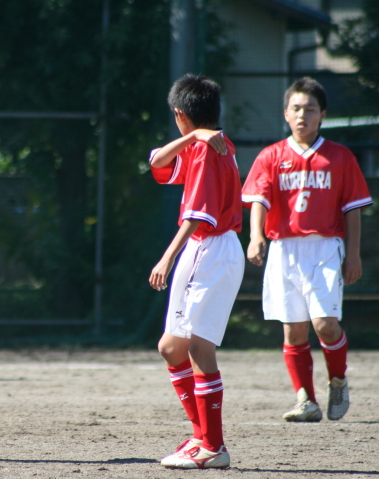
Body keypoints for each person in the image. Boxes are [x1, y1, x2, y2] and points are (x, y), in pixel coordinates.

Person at [242, 77, 372, 422]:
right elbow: (259, 200)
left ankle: (338, 379)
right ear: (286, 113)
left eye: (310, 109)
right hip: (284, 249)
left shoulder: (340, 156)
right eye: (296, 108)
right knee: (293, 329)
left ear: (322, 115)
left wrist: (354, 253)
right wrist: (256, 236)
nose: (302, 115)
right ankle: (306, 401)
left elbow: (353, 209)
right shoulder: (271, 156)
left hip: (325, 248)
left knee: (325, 325)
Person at [148, 73, 244, 469]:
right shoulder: (206, 144)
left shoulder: (207, 149)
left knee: (200, 348)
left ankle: (213, 447)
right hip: (208, 249)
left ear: (179, 114)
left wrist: (167, 257)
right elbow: (156, 162)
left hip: (210, 247)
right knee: (171, 348)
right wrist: (194, 136)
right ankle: (200, 437)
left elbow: (198, 214)